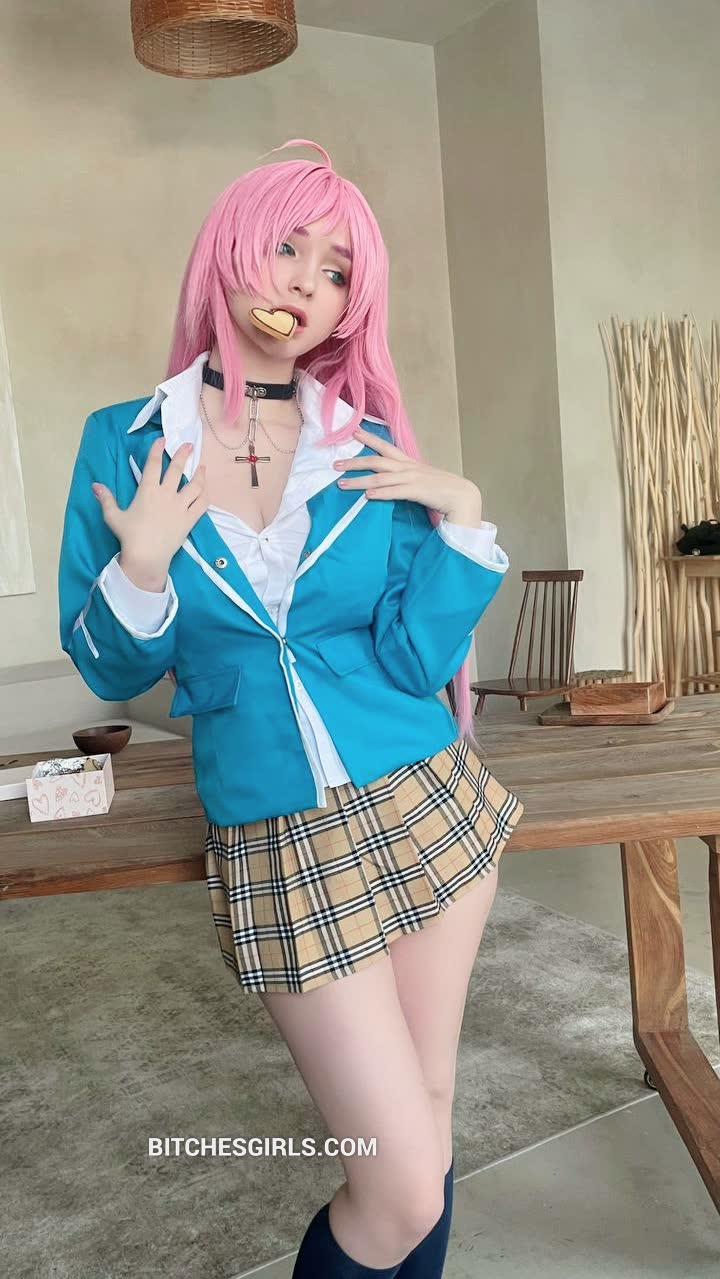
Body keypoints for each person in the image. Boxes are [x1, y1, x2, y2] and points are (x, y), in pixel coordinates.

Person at [58, 139, 524, 1277]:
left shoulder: (364, 445)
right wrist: (144, 569)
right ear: (229, 250)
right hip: (278, 833)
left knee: (428, 1119)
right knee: (397, 1180)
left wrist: (462, 519)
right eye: (287, 248)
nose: (306, 284)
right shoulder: (125, 442)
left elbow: (413, 657)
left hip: (425, 797)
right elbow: (106, 665)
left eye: (336, 271)